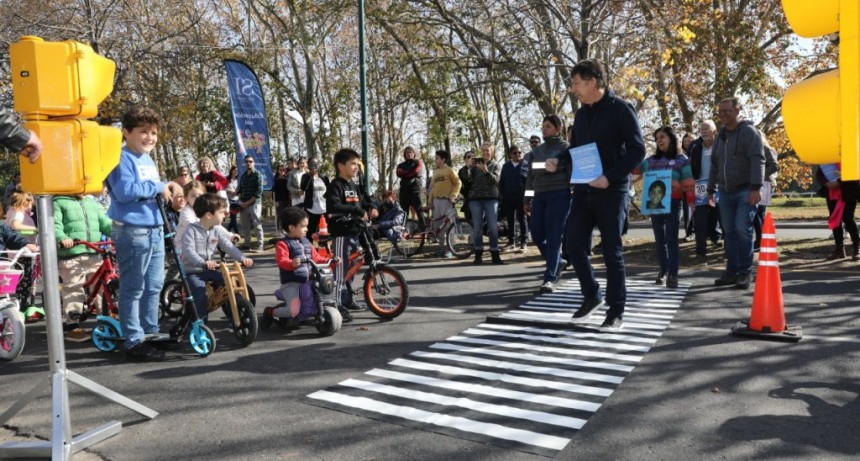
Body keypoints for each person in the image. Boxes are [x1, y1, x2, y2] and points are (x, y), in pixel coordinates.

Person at [566, 59, 646, 331]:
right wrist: (559, 160)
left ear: (592, 82)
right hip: (583, 189)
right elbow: (576, 150)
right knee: (573, 244)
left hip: (611, 190)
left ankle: (616, 310)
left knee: (612, 251)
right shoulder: (581, 115)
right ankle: (592, 294)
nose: (572, 89)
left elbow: (637, 150)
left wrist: (609, 176)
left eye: (576, 83)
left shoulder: (621, 109)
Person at [105, 105, 180, 362]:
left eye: (154, 132)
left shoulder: (147, 159)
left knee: (154, 285)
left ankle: (151, 332)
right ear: (126, 132)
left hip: (154, 228)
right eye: (143, 132)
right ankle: (133, 340)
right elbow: (125, 192)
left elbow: (151, 191)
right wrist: (160, 186)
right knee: (134, 286)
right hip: (132, 231)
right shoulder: (120, 158)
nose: (150, 138)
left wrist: (168, 194)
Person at [707, 97, 765, 290]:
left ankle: (745, 272)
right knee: (729, 233)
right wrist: (710, 190)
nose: (724, 115)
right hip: (724, 192)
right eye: (721, 112)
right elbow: (714, 166)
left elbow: (758, 160)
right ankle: (731, 272)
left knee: (742, 229)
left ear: (737, 110)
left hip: (745, 190)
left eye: (727, 111)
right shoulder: (719, 137)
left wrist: (756, 187)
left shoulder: (749, 132)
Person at [634, 126, 694, 289]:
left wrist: (692, 202)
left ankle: (673, 275)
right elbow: (635, 169)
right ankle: (663, 271)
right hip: (655, 205)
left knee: (671, 239)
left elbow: (688, 183)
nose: (659, 140)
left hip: (674, 204)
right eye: (656, 138)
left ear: (672, 139)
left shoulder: (682, 160)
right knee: (660, 240)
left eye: (662, 137)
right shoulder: (651, 161)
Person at [180, 193, 253, 322]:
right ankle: (200, 323)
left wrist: (242, 258)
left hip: (209, 269)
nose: (225, 214)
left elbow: (228, 246)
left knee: (228, 286)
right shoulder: (191, 230)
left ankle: (235, 317)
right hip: (193, 271)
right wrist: (202, 262)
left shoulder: (216, 230)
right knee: (199, 293)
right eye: (221, 212)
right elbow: (188, 250)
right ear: (209, 215)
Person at [54, 194, 112, 341]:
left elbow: (103, 221)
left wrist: (116, 232)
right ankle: (72, 326)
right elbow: (54, 225)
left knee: (101, 287)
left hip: (93, 252)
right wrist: (62, 238)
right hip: (71, 253)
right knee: (73, 288)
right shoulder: (59, 201)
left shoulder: (90, 201)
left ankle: (106, 321)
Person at [524, 115, 571, 293]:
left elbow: (571, 174)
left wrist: (557, 167)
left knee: (553, 237)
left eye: (548, 126)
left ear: (558, 129)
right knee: (536, 234)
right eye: (543, 126)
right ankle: (558, 261)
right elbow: (530, 178)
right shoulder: (535, 152)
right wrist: (527, 199)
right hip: (539, 196)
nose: (544, 129)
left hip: (559, 195)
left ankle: (549, 279)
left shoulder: (566, 149)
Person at [326, 148, 374, 322]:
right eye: (352, 163)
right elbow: (333, 206)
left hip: (355, 232)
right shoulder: (336, 185)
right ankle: (337, 305)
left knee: (352, 267)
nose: (356, 167)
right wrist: (356, 210)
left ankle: (347, 299)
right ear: (341, 166)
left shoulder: (353, 185)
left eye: (357, 164)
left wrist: (371, 207)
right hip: (341, 233)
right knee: (340, 269)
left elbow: (363, 201)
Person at [264, 206, 331, 326]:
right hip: (292, 283)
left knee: (322, 293)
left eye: (307, 226)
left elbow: (316, 258)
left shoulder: (307, 242)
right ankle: (271, 312)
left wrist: (331, 260)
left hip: (309, 280)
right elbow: (281, 261)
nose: (306, 229)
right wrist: (292, 263)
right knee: (293, 310)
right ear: (291, 227)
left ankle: (311, 312)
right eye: (303, 226)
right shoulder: (283, 244)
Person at [688, 120, 722, 262]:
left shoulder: (722, 144)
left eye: (706, 129)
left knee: (723, 219)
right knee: (700, 222)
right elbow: (690, 167)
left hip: (719, 187)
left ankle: (728, 251)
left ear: (714, 131)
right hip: (700, 188)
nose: (703, 132)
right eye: (701, 129)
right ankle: (700, 252)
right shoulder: (695, 146)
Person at [465, 142, 504, 265]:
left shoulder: (496, 165)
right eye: (483, 150)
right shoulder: (474, 165)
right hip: (475, 200)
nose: (485, 152)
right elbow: (466, 180)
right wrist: (467, 167)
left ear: (492, 152)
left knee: (492, 228)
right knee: (477, 229)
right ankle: (478, 254)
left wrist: (486, 171)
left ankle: (494, 253)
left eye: (488, 150)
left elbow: (497, 182)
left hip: (491, 199)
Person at [817, 163, 860, 260]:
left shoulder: (848, 156)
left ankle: (857, 249)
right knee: (835, 219)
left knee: (848, 218)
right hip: (832, 193)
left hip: (849, 191)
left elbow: (854, 173)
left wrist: (838, 182)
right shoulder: (826, 159)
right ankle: (839, 250)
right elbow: (819, 174)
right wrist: (826, 183)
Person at [427, 150, 462, 258]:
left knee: (448, 225)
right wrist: (430, 202)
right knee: (438, 226)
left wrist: (454, 195)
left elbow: (458, 183)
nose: (435, 160)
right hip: (436, 201)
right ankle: (441, 248)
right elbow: (433, 188)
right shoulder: (435, 172)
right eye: (435, 157)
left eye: (437, 158)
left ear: (443, 159)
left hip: (447, 201)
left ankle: (450, 249)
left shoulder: (450, 170)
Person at [753, 132, 780, 251]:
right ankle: (761, 239)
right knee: (756, 212)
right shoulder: (751, 148)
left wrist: (760, 175)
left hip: (766, 183)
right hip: (756, 183)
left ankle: (762, 240)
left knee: (759, 212)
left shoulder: (765, 148)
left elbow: (775, 165)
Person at [500, 145, 527, 252]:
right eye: (515, 153)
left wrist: (529, 198)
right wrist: (502, 196)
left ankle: (524, 243)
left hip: (522, 198)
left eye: (520, 152)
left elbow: (529, 183)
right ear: (511, 154)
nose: (518, 155)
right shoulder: (506, 166)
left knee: (522, 220)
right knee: (510, 220)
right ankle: (511, 242)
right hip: (508, 198)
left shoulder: (525, 165)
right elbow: (501, 182)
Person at [238, 155, 265, 252]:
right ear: (244, 163)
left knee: (257, 225)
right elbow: (240, 190)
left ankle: (260, 245)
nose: (248, 163)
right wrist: (241, 201)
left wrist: (249, 202)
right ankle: (246, 244)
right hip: (243, 204)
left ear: (253, 163)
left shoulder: (258, 174)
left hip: (255, 204)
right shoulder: (243, 176)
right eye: (246, 161)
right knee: (245, 226)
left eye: (250, 161)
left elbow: (259, 191)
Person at [396, 146, 426, 228]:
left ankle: (424, 231)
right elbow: (398, 173)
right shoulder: (400, 165)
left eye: (410, 152)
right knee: (404, 212)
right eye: (407, 153)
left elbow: (416, 172)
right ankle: (402, 231)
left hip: (415, 191)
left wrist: (405, 173)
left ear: (414, 154)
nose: (409, 154)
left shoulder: (418, 162)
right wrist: (410, 171)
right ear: (404, 155)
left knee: (419, 211)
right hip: (404, 191)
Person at [175, 180, 207, 256]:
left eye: (200, 195)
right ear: (186, 198)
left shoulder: (205, 210)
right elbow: (192, 225)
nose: (197, 198)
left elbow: (215, 223)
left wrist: (228, 235)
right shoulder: (186, 211)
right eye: (193, 196)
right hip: (184, 248)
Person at [300, 158, 330, 239]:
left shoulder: (323, 177)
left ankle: (323, 249)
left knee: (324, 232)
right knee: (310, 232)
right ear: (308, 166)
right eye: (312, 164)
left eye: (315, 164)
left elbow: (330, 191)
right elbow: (303, 188)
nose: (314, 166)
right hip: (311, 209)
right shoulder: (305, 176)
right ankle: (310, 250)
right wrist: (310, 176)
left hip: (323, 209)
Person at [273, 163, 290, 238]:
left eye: (283, 170)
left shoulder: (287, 179)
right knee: (279, 215)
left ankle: (284, 230)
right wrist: (275, 201)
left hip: (286, 200)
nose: (282, 171)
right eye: (280, 170)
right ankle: (278, 231)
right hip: (279, 200)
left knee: (285, 215)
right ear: (278, 171)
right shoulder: (275, 180)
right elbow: (274, 191)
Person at [457, 151, 474, 221]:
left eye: (473, 156)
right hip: (469, 200)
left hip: (480, 199)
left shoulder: (479, 168)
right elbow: (460, 185)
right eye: (469, 157)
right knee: (470, 221)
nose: (471, 158)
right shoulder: (461, 171)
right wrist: (466, 194)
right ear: (465, 159)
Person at [224, 164, 240, 233]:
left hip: (237, 200)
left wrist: (237, 192)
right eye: (235, 170)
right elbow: (222, 188)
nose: (236, 171)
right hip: (228, 200)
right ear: (232, 170)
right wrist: (229, 191)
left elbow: (240, 188)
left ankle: (227, 231)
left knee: (234, 217)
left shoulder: (239, 179)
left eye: (237, 170)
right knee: (233, 217)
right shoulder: (226, 179)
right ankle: (237, 232)